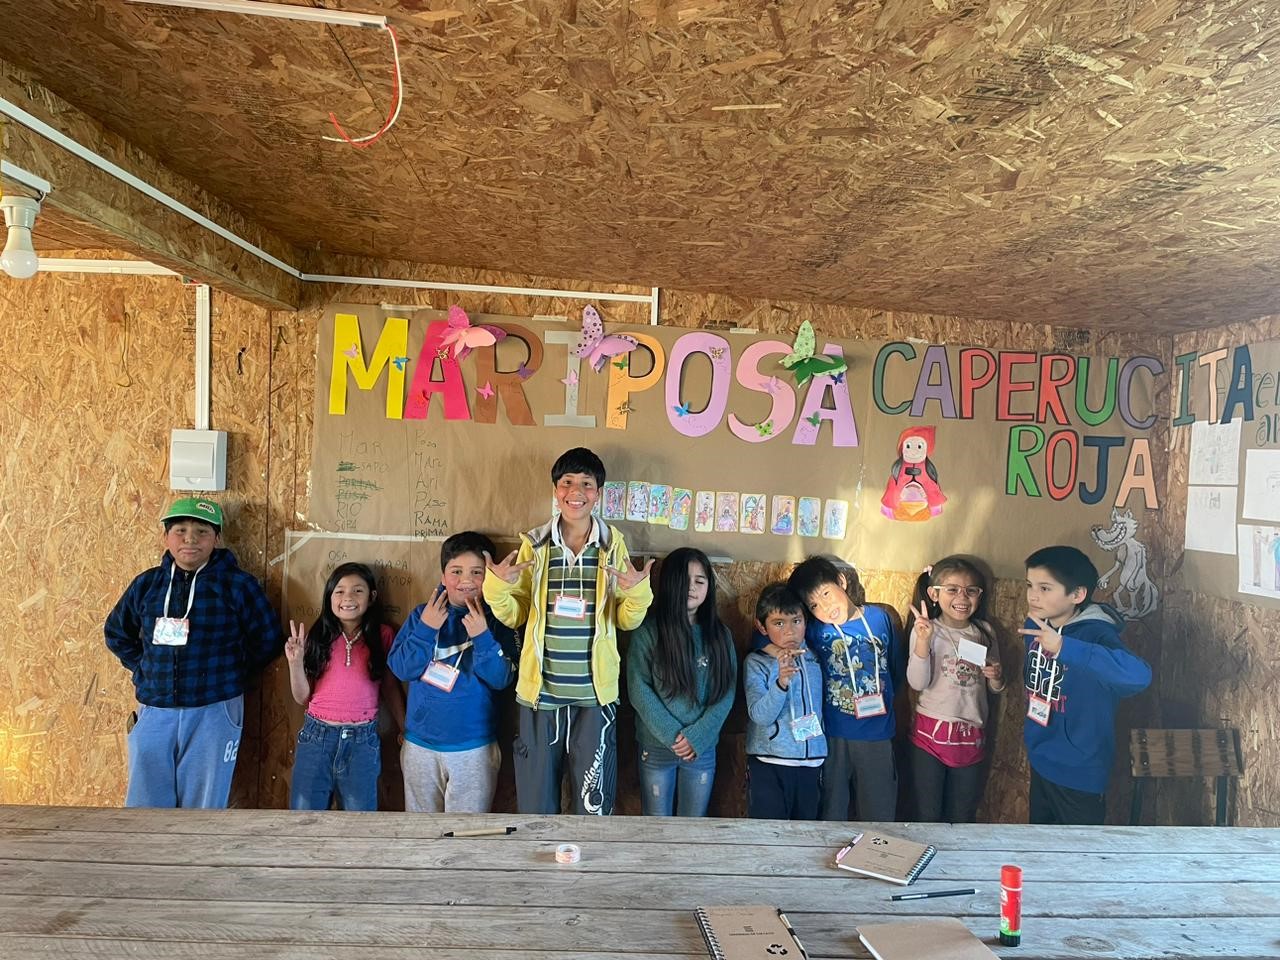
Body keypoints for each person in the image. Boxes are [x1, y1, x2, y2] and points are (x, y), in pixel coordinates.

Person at [483, 447, 654, 815]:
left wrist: (637, 592)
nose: (576, 491)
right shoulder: (535, 545)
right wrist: (497, 588)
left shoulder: (612, 546)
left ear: (599, 493)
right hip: (540, 696)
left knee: (592, 806)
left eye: (587, 484)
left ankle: (587, 855)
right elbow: (516, 615)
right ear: (555, 490)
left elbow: (626, 621)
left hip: (594, 698)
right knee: (536, 805)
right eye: (567, 482)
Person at [104, 497, 282, 808]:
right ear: (166, 537)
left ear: (217, 538)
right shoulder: (147, 584)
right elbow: (117, 632)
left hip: (214, 709)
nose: (190, 539)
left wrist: (230, 675)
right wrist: (144, 669)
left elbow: (267, 639)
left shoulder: (238, 586)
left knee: (204, 805)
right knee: (144, 805)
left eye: (202, 531)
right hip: (156, 708)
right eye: (180, 531)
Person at [1021, 545, 1152, 825]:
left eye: (1045, 588)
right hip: (1041, 760)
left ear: (1077, 594)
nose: (1033, 595)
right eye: (1030, 585)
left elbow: (1139, 676)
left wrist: (1065, 647)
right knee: (1039, 845)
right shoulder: (1036, 626)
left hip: (1079, 772)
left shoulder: (1096, 634)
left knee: (1078, 849)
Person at [388, 532, 515, 813]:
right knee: (422, 830)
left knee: (465, 831)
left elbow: (501, 679)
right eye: (456, 571)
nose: (466, 580)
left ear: (490, 576)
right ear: (443, 577)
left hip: (474, 748)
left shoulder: (499, 620)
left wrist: (482, 637)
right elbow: (401, 669)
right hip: (420, 745)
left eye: (477, 572)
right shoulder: (422, 615)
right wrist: (426, 629)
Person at [787, 555, 906, 821]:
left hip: (877, 733)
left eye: (826, 594)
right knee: (831, 811)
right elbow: (777, 634)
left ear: (841, 581)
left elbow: (896, 668)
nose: (825, 608)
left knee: (879, 815)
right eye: (814, 605)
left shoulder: (880, 618)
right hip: (833, 735)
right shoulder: (815, 630)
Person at [627, 547, 737, 816]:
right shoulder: (648, 632)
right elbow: (638, 689)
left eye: (700, 581)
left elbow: (727, 691)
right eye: (684, 580)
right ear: (669, 582)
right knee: (656, 824)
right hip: (656, 746)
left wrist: (697, 736)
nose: (692, 588)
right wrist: (673, 736)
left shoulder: (719, 635)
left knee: (693, 824)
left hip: (701, 747)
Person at [285, 561, 403, 811]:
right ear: (329, 597)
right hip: (316, 739)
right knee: (304, 817)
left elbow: (390, 687)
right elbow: (302, 697)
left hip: (362, 742)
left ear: (372, 597)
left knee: (358, 820)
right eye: (339, 591)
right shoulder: (318, 635)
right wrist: (295, 663)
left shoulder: (382, 635)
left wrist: (405, 727)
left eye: (358, 590)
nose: (348, 597)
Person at [905, 557, 1004, 822]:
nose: (962, 597)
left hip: (970, 734)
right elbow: (917, 683)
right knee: (927, 813)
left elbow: (995, 687)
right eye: (952, 589)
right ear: (933, 594)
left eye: (971, 590)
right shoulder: (927, 630)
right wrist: (923, 641)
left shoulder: (984, 631)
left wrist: (996, 677)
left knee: (962, 813)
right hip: (930, 734)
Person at [743, 583, 826, 820]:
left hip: (811, 763)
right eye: (779, 623)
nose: (790, 631)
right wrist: (780, 684)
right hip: (769, 761)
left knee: (805, 832)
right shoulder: (757, 662)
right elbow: (760, 716)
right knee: (769, 832)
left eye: (796, 621)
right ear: (762, 626)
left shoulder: (815, 658)